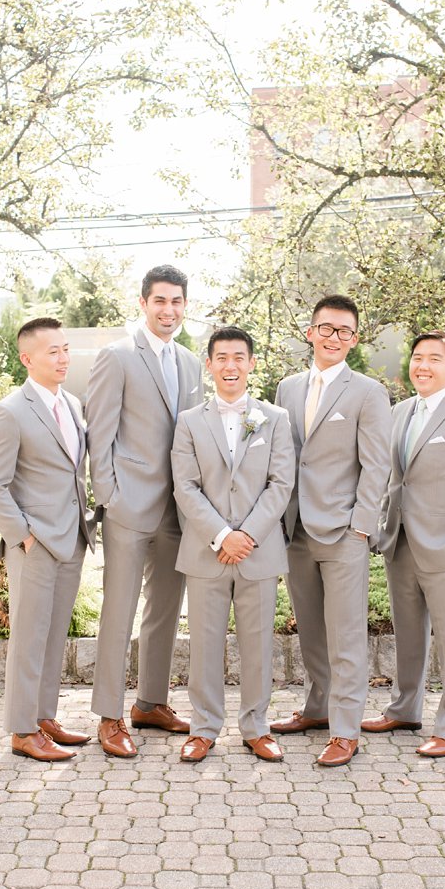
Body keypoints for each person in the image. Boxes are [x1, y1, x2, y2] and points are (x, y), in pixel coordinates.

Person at [85, 265, 204, 758]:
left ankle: (151, 702)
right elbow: (100, 433)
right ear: (142, 303)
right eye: (160, 301)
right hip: (129, 506)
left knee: (164, 611)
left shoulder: (194, 363)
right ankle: (109, 715)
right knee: (119, 611)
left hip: (178, 511)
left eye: (177, 301)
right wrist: (110, 497)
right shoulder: (116, 357)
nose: (169, 310)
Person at [271, 295, 392, 767]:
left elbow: (376, 465)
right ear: (310, 332)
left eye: (344, 331)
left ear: (355, 339)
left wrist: (361, 527)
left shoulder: (367, 392)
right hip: (295, 528)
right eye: (327, 328)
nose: (334, 337)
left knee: (345, 634)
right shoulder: (287, 389)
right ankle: (317, 708)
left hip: (344, 531)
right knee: (312, 631)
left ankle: (345, 730)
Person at [170, 326, 295, 763]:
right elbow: (184, 487)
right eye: (221, 357)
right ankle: (203, 728)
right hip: (207, 551)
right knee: (204, 644)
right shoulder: (188, 422)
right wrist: (223, 535)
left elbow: (281, 484)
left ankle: (256, 727)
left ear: (251, 363)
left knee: (257, 644)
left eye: (239, 357)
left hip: (257, 551)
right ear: (209, 365)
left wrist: (248, 535)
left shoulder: (274, 419)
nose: (230, 366)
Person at [367, 333, 445, 759]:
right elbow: (392, 478)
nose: (422, 366)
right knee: (408, 634)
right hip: (400, 541)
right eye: (417, 358)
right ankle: (404, 709)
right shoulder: (400, 411)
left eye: (433, 359)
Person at [0, 317, 97, 761]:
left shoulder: (73, 404)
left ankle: (45, 718)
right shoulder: (10, 411)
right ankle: (22, 731)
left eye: (66, 349)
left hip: (72, 538)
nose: (63, 358)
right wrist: (23, 537)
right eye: (53, 351)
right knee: (29, 638)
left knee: (52, 638)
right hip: (35, 543)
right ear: (27, 359)